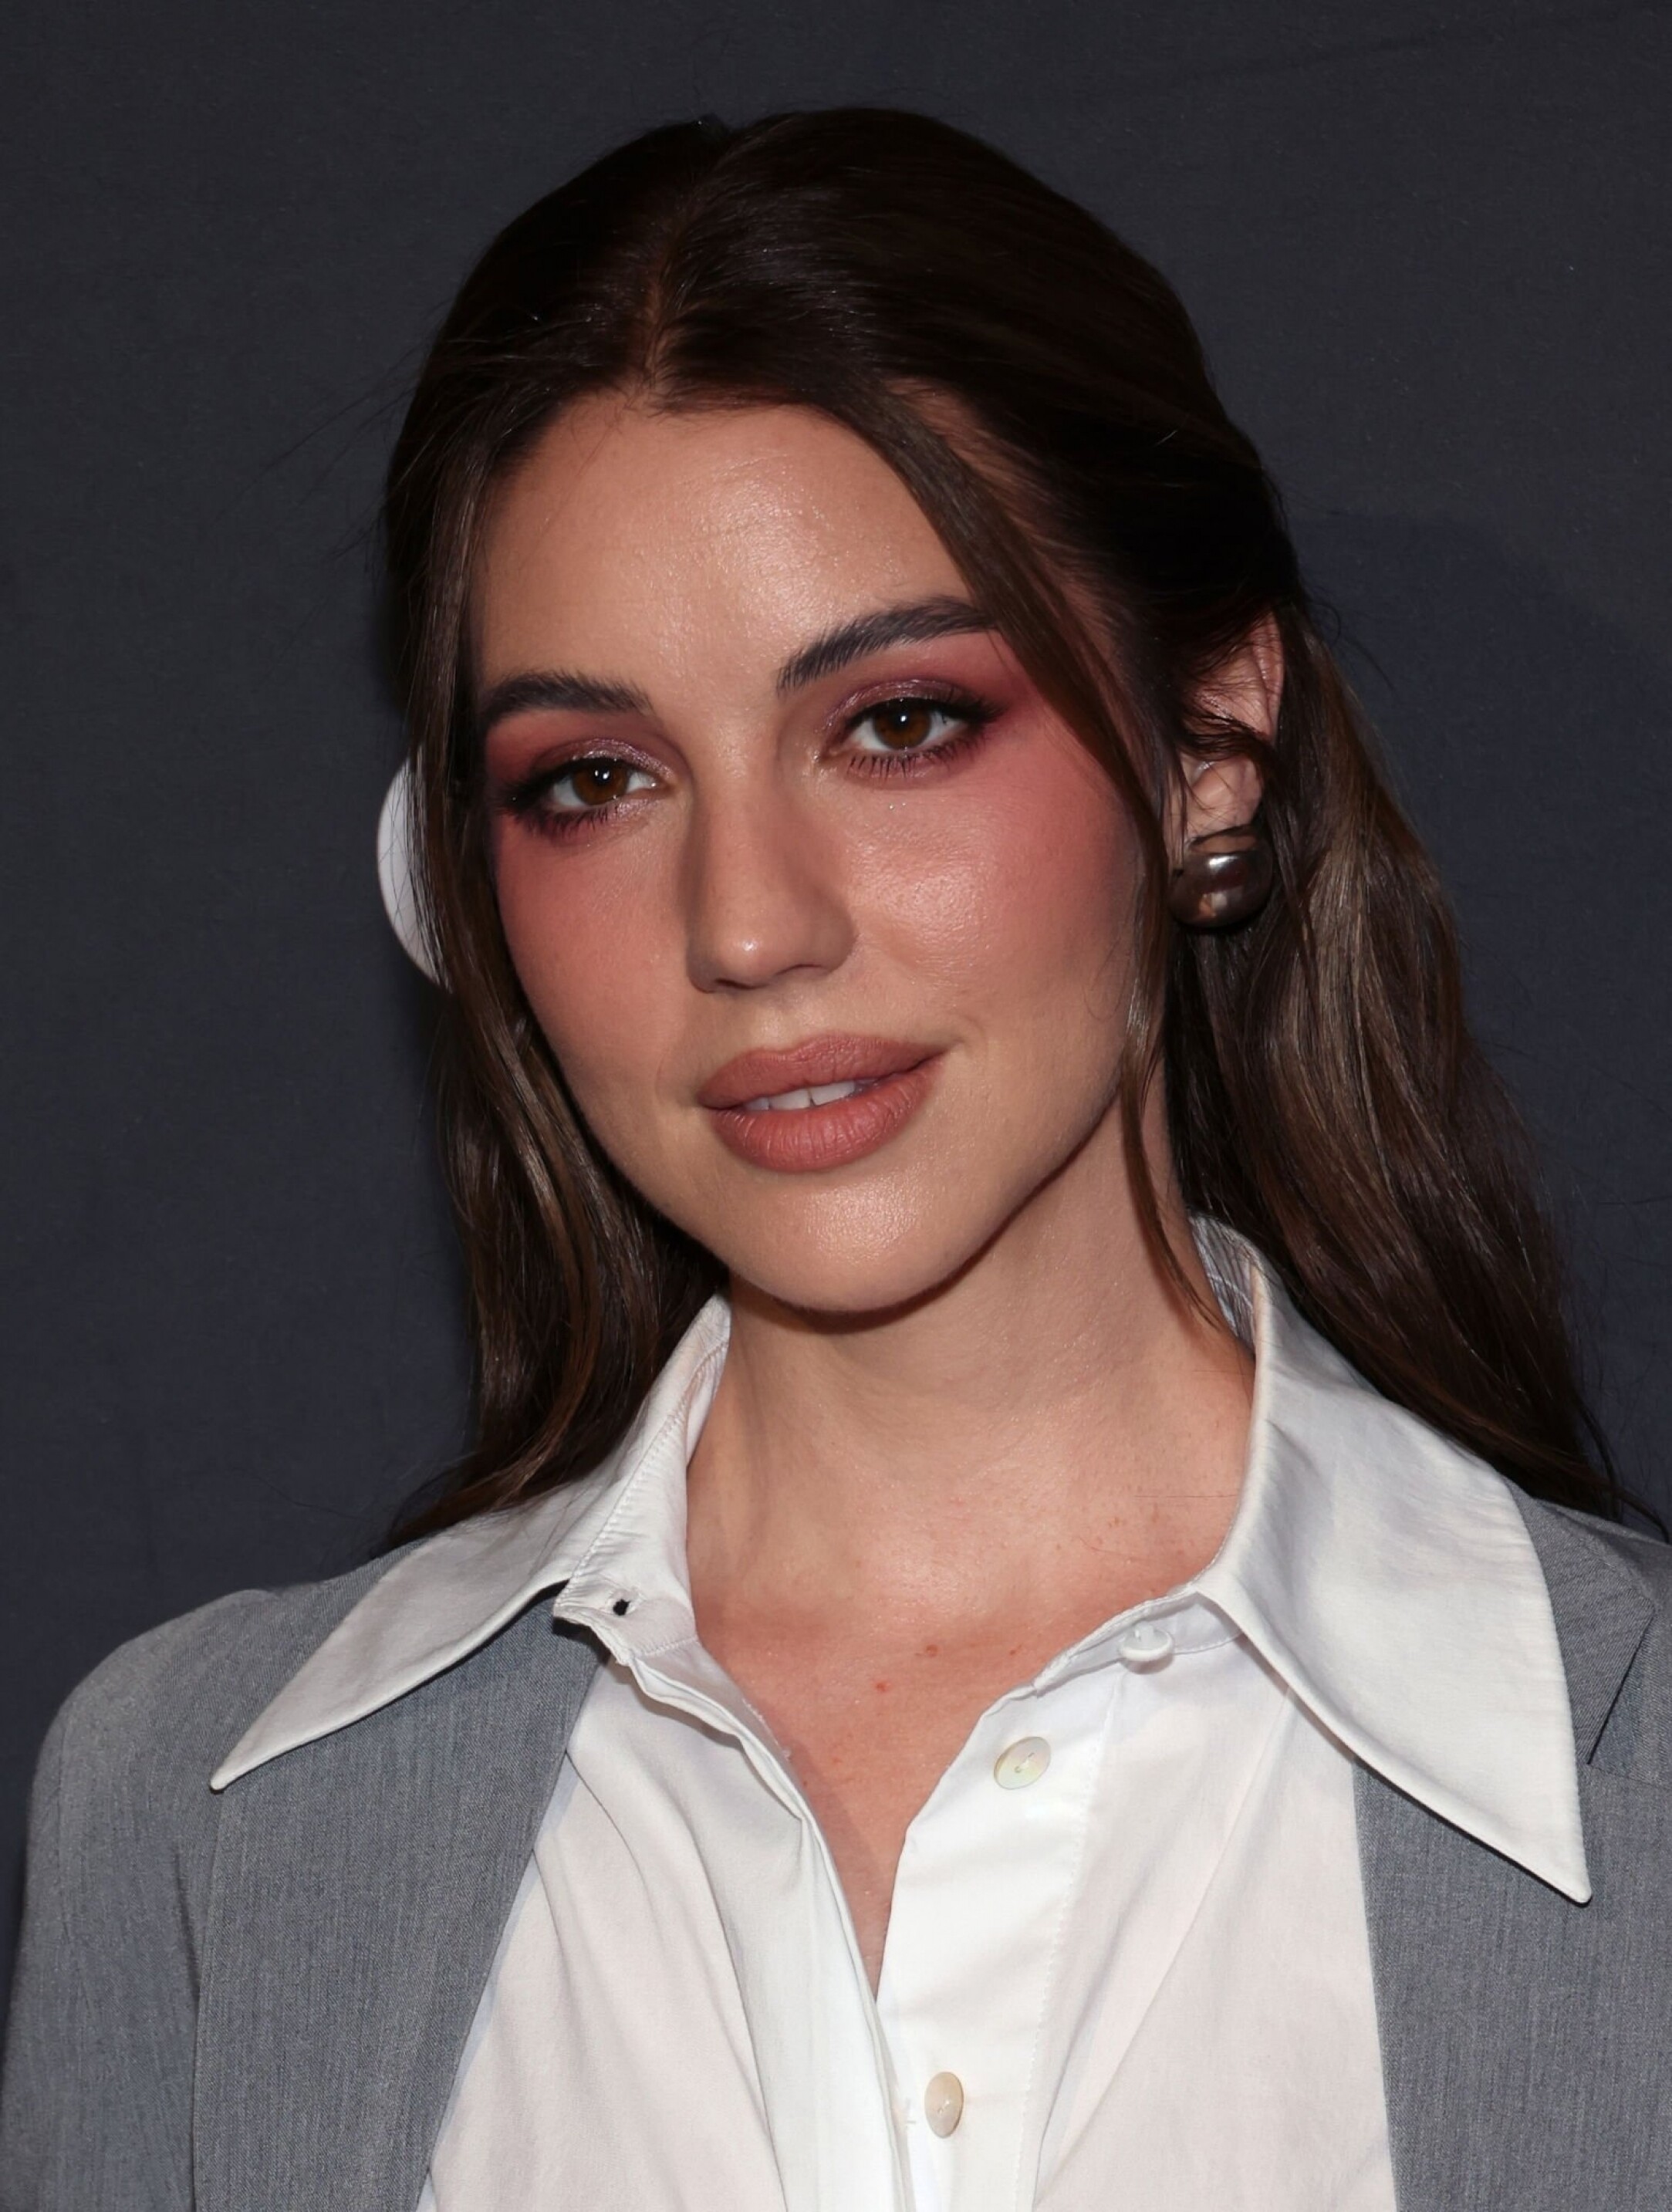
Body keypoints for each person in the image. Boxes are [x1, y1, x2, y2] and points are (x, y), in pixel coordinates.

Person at [3, 107, 1669, 2212]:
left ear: (1211, 744)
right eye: (594, 779)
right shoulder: (196, 1822)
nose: (748, 924)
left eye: (896, 723)